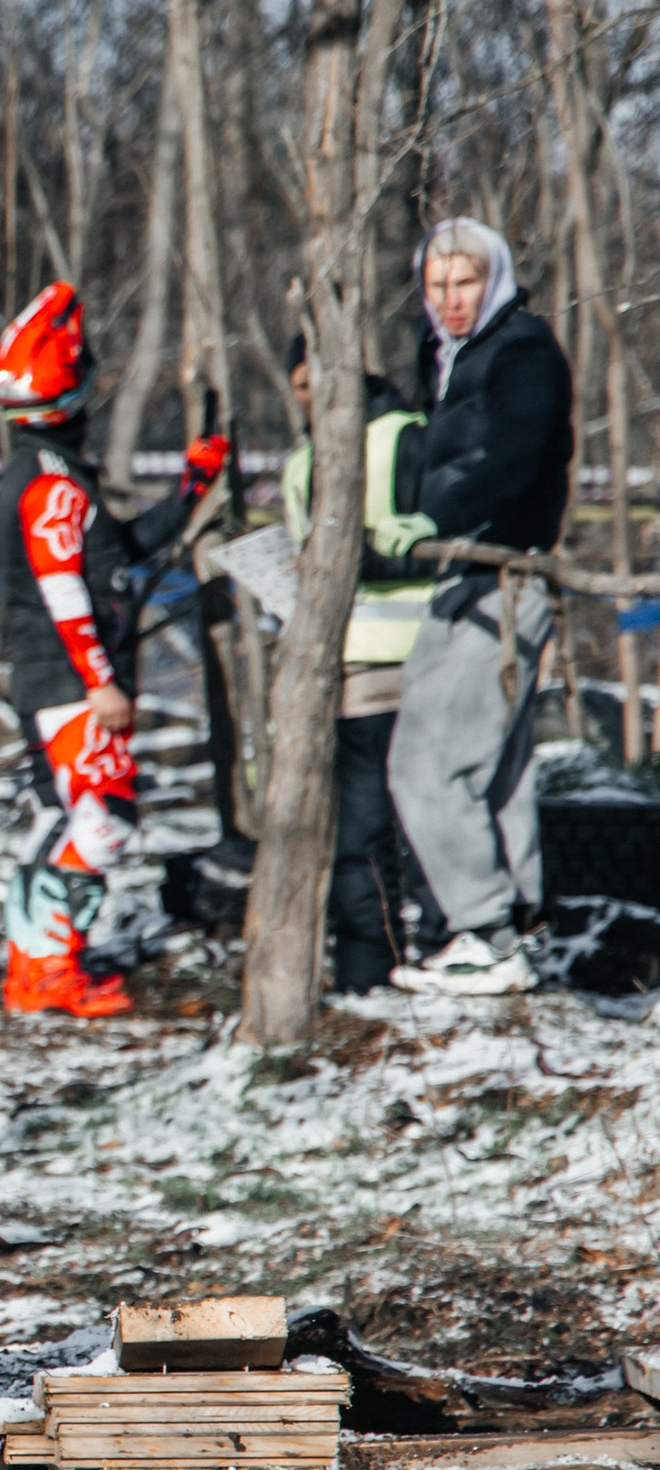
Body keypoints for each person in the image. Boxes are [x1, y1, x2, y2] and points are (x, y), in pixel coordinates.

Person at [0, 283, 229, 1018]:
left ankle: (35, 969)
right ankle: (52, 968)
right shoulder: (51, 487)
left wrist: (191, 490)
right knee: (103, 819)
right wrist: (101, 682)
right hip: (68, 683)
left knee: (62, 819)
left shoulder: (55, 479)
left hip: (57, 680)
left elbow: (116, 554)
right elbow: (66, 591)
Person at [385, 217, 574, 995]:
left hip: (498, 573)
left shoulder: (521, 347)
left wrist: (440, 515)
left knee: (425, 763)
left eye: (465, 282)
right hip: (467, 575)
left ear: (493, 278)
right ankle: (518, 927)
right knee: (495, 768)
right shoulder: (452, 358)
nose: (451, 300)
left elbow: (514, 454)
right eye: (437, 286)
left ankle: (485, 931)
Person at [279, 341, 433, 993]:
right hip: (351, 673)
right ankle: (369, 975)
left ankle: (442, 960)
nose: (308, 399)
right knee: (363, 834)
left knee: (426, 825)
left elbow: (439, 545)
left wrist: (358, 560)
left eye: (317, 382)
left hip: (423, 660)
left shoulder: (408, 438)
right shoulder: (301, 465)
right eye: (300, 386)